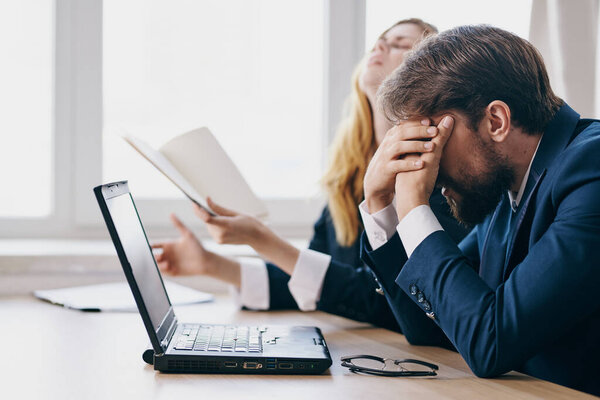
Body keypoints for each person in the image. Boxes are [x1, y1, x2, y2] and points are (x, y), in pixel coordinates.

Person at [153, 18, 467, 337]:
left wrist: (261, 239)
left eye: (400, 43)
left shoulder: (436, 180)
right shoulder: (349, 176)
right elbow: (317, 278)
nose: (380, 46)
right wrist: (211, 265)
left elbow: (388, 301)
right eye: (379, 41)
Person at [359, 25, 600, 395]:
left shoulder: (591, 169)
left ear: (496, 122)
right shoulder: (510, 184)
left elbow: (491, 342)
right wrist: (381, 205)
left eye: (433, 140)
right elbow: (431, 328)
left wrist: (412, 207)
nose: (429, 165)